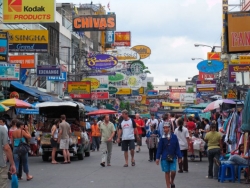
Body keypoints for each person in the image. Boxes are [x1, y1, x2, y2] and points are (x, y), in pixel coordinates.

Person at [156, 122, 182, 188]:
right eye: (164, 128)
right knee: (167, 172)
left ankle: (172, 181)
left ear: (170, 128)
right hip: (164, 157)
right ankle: (168, 186)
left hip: (172, 156)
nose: (165, 129)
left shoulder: (174, 137)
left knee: (173, 171)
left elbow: (177, 147)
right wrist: (157, 158)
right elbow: (159, 148)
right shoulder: (162, 138)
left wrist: (179, 157)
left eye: (167, 127)